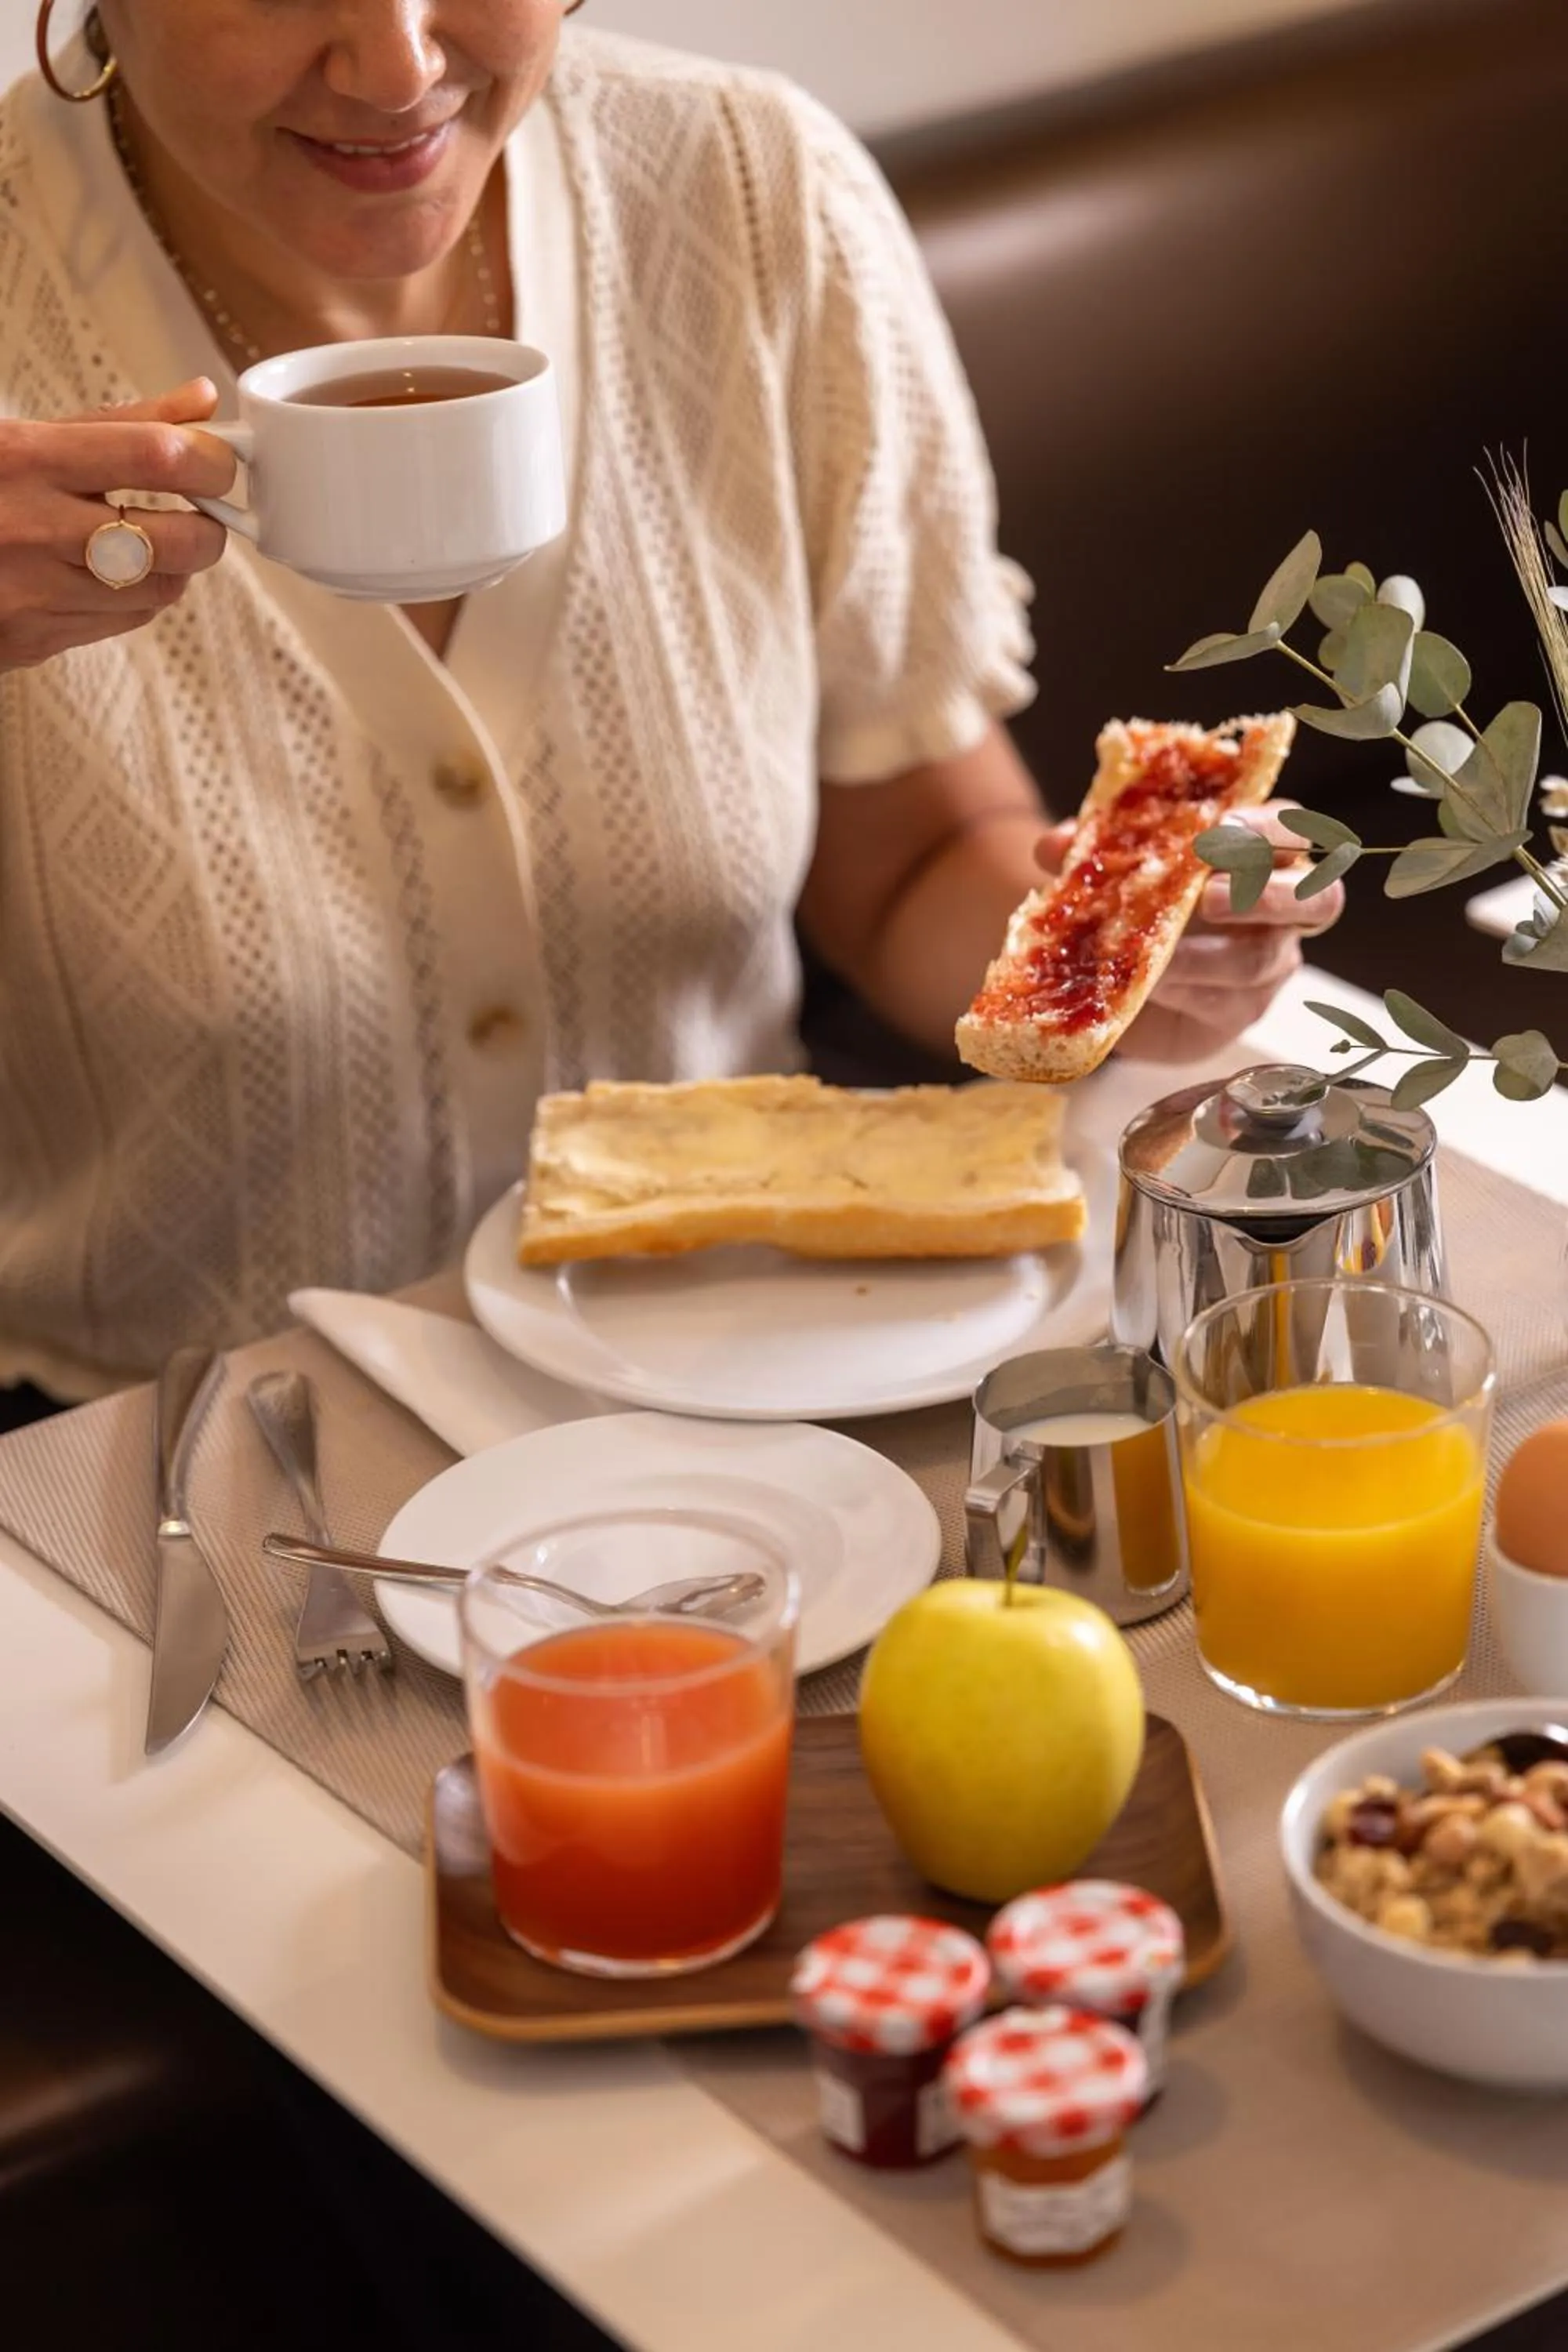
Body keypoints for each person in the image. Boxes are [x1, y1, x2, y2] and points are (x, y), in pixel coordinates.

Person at [0, 0, 1341, 1406]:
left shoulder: (750, 195)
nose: (398, 64)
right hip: (154, 1458)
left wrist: (1119, 959)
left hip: (747, 1381)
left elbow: (911, 873)